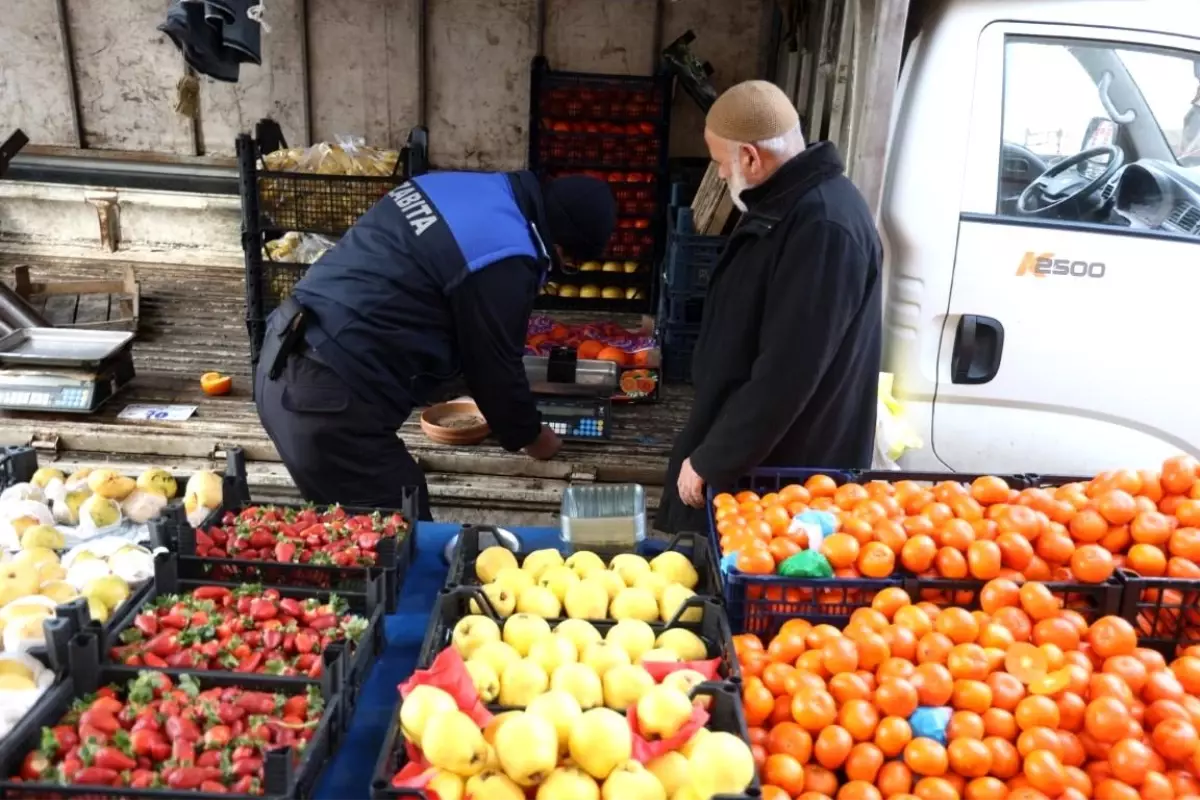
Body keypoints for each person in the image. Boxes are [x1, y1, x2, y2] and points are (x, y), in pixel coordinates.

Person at [255, 170, 617, 521]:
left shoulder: (460, 187)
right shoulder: (507, 253)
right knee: (400, 537)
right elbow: (494, 369)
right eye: (567, 264)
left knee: (368, 536)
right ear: (558, 244)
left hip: (284, 356)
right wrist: (534, 438)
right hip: (323, 400)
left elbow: (418, 287)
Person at [656, 80, 884, 534]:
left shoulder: (823, 226)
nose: (720, 175)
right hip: (757, 450)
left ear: (750, 158)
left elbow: (789, 372)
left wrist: (713, 458)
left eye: (721, 163)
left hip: (785, 476)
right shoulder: (789, 205)